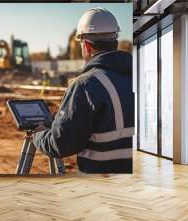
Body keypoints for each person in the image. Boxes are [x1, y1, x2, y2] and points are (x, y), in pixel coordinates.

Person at [32, 8, 134, 173]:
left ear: (86, 45)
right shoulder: (140, 76)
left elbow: (62, 144)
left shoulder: (85, 85)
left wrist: (39, 135)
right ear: (115, 41)